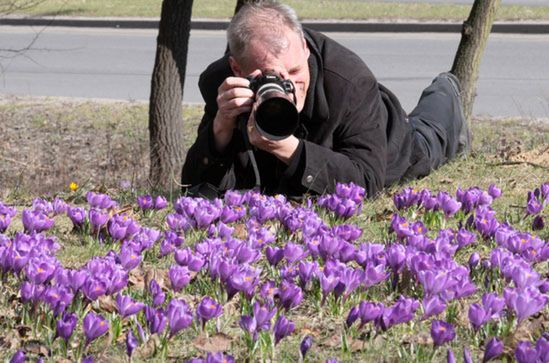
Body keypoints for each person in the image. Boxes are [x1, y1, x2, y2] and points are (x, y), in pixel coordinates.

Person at [181, 0, 469, 199]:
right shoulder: (222, 85)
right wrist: (220, 130)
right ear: (237, 69)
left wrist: (288, 148)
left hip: (389, 136)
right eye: (269, 77)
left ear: (305, 48)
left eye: (294, 71)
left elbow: (366, 182)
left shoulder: (350, 80)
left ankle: (445, 89)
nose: (288, 87)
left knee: (430, 139)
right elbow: (196, 186)